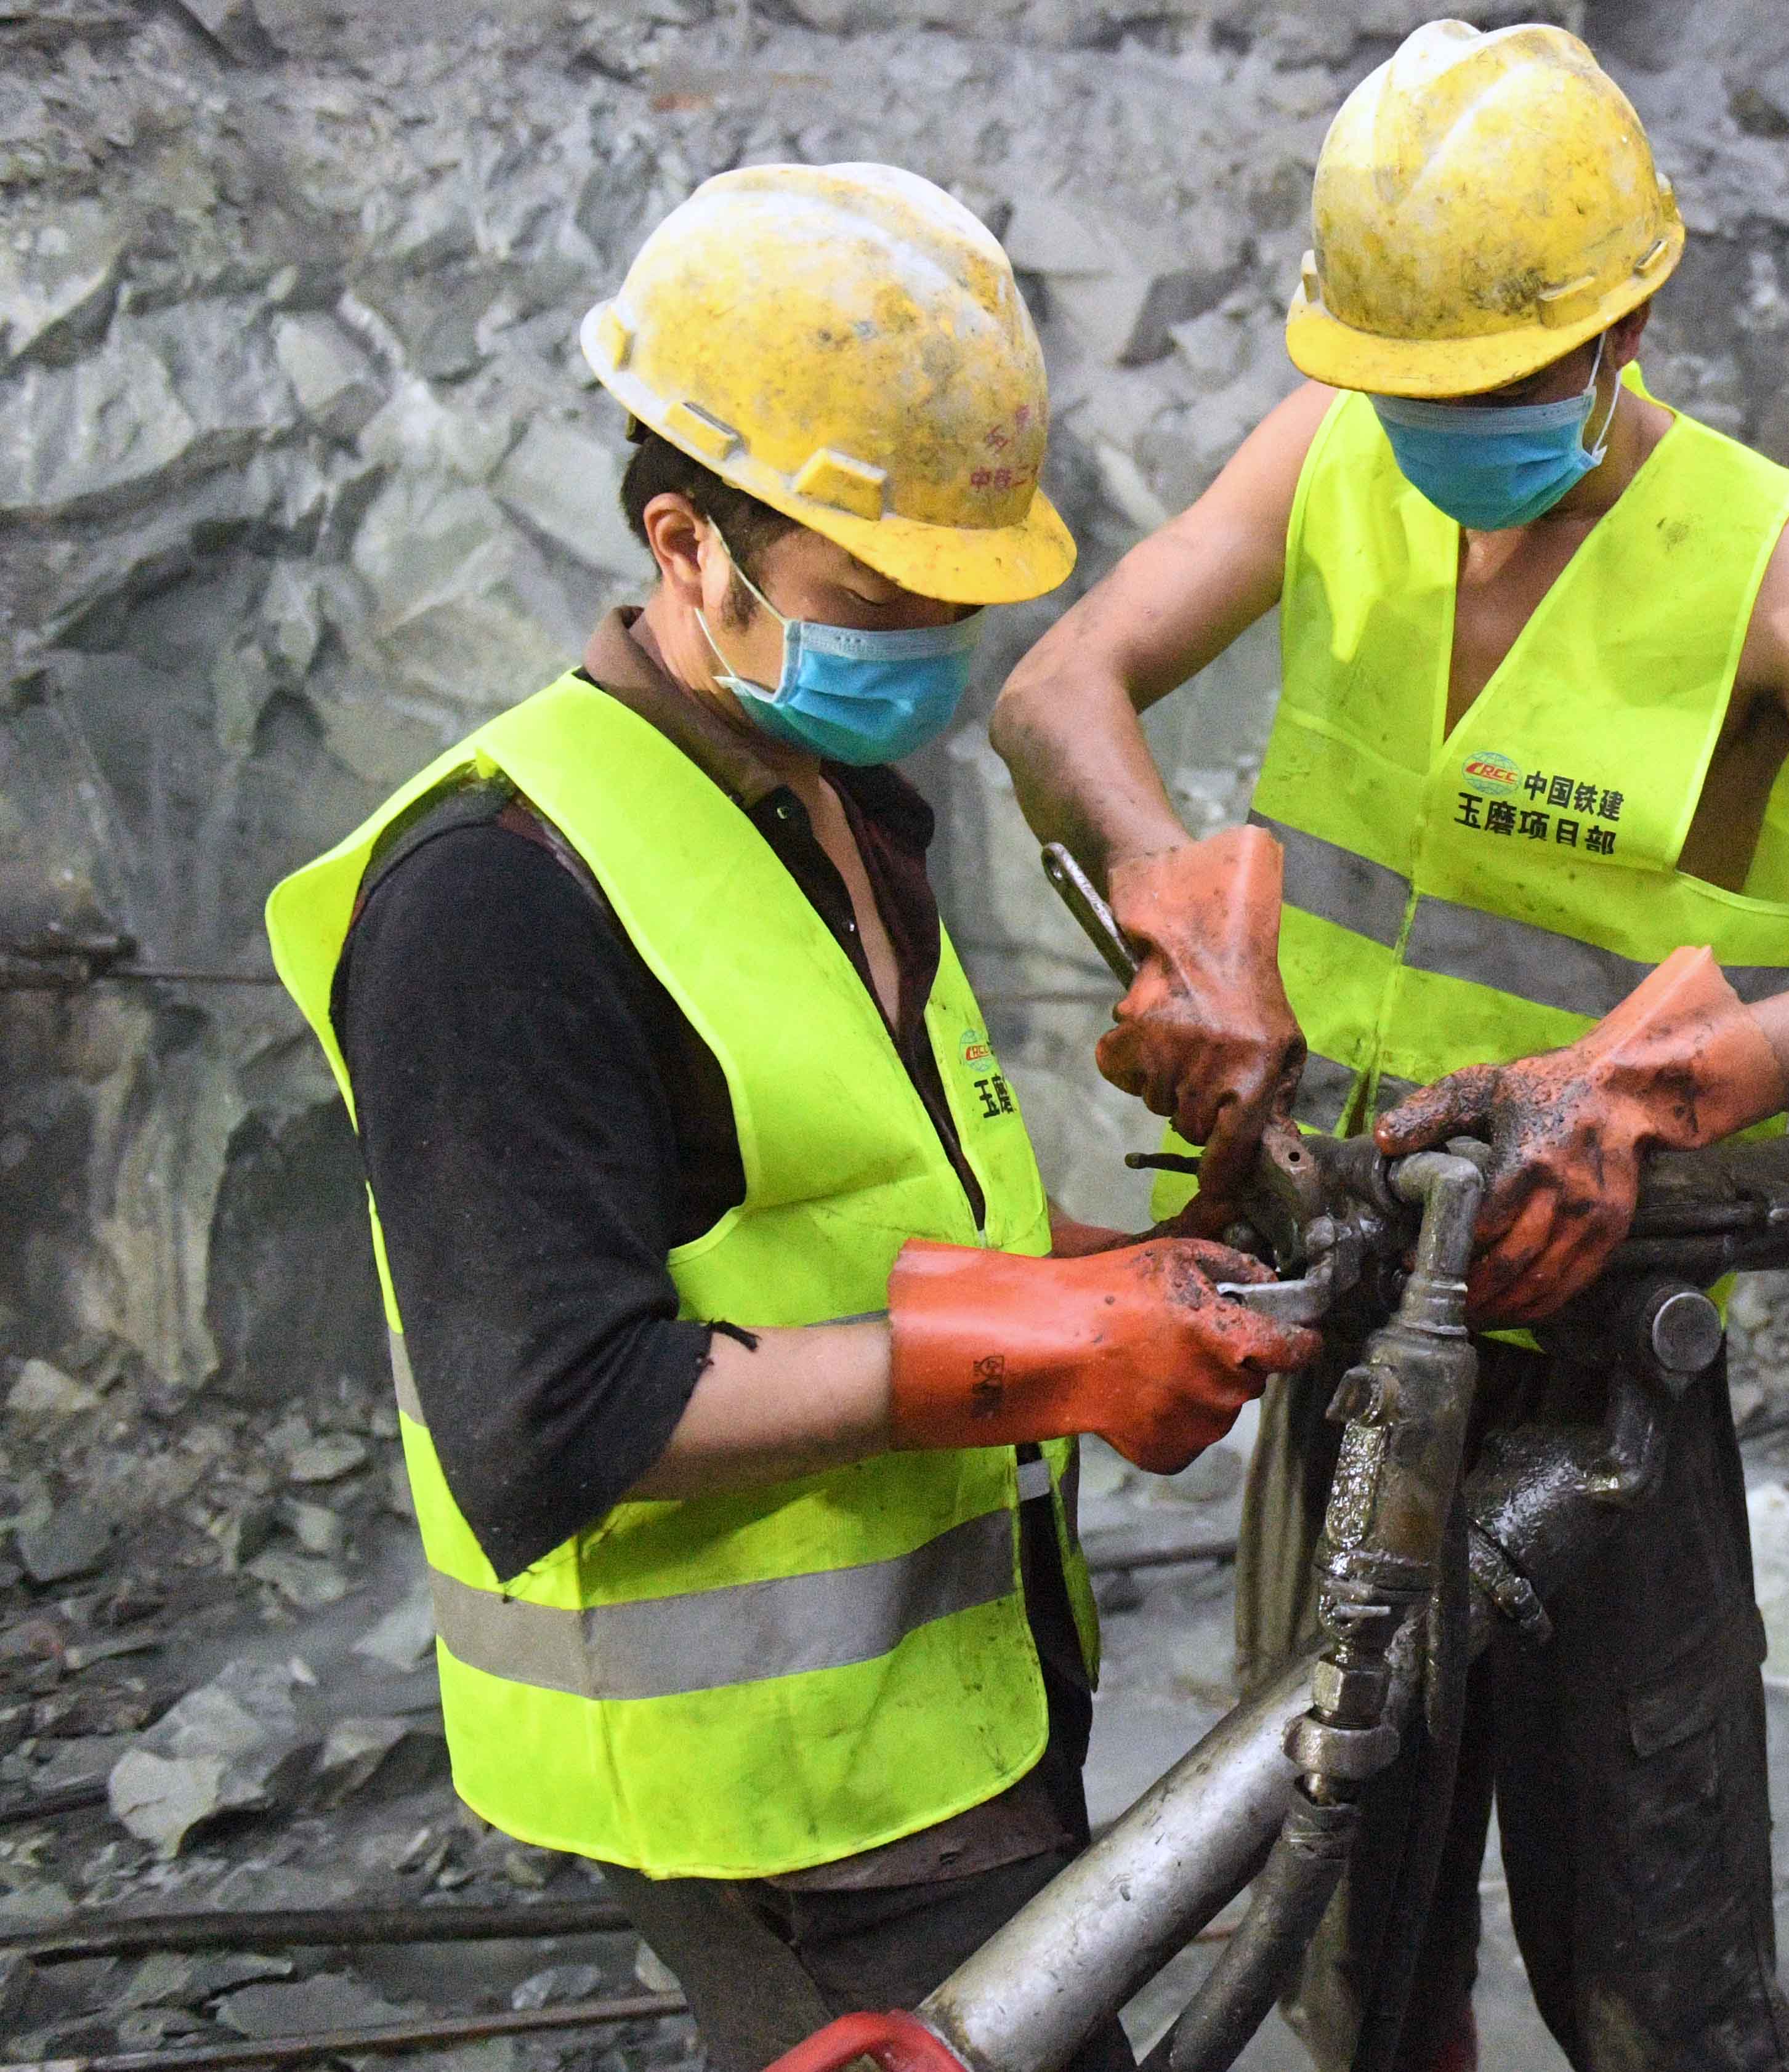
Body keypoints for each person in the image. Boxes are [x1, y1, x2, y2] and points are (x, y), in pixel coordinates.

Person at [990, 22, 1789, 2070]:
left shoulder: (1771, 562)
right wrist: (1169, 894)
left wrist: (1656, 1086)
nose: (1441, 427)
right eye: (1410, 389)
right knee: (1337, 1943)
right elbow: (1062, 688)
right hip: (1340, 1303)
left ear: (1628, 318)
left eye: (1488, 386)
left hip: (1599, 1359)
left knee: (1656, 1983)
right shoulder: (1326, 449)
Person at [260, 164, 1319, 2072]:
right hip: (771, 1794)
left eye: (955, 597)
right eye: (872, 596)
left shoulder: (843, 807)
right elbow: (554, 1413)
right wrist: (1041, 1352)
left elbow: (851, 1222)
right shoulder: (493, 899)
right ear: (688, 542)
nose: (923, 644)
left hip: (956, 1703)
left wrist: (1129, 1282)